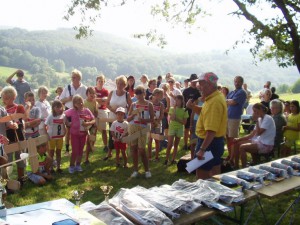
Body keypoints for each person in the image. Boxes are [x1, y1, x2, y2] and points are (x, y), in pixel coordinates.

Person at [194, 72, 227, 179]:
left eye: (201, 84)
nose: (199, 87)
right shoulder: (215, 97)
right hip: (214, 142)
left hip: (208, 144)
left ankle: (205, 195)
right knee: (215, 172)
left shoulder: (214, 102)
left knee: (202, 175)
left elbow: (211, 130)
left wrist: (202, 149)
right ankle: (217, 193)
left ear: (208, 85)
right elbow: (205, 115)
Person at [233, 103, 275, 168]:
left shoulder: (267, 118)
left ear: (261, 109)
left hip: (266, 145)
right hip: (259, 142)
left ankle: (244, 168)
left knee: (242, 147)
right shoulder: (260, 119)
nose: (254, 113)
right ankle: (236, 166)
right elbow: (252, 135)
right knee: (237, 143)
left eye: (255, 111)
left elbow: (259, 133)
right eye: (254, 111)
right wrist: (238, 139)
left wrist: (256, 121)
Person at [127, 86, 154, 178]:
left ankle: (147, 170)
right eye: (137, 93)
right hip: (133, 127)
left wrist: (144, 120)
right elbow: (128, 118)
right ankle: (135, 170)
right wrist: (133, 114)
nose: (138, 95)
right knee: (134, 148)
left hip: (143, 128)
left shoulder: (149, 104)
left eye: (140, 93)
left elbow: (152, 119)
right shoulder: (133, 104)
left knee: (142, 150)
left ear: (144, 93)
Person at [59, 69, 87, 155]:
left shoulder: (84, 88)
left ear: (79, 78)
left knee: (79, 129)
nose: (72, 79)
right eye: (72, 77)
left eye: (74, 77)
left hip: (79, 112)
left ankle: (78, 148)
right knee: (68, 130)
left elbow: (86, 100)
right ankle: (67, 149)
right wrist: (68, 98)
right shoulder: (67, 87)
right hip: (69, 110)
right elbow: (60, 99)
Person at [65, 95, 95, 173]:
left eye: (81, 102)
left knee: (80, 150)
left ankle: (78, 165)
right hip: (74, 134)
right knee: (75, 151)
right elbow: (63, 115)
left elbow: (94, 120)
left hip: (83, 134)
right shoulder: (71, 111)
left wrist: (88, 123)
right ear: (74, 104)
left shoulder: (86, 110)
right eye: (78, 103)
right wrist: (67, 123)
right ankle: (71, 166)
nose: (80, 104)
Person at [1, 86, 26, 182]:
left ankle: (21, 177)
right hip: (8, 135)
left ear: (13, 97)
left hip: (19, 134)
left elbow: (23, 118)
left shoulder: (19, 107)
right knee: (8, 159)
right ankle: (8, 181)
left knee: (21, 157)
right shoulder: (3, 110)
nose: (5, 100)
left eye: (7, 98)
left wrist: (17, 123)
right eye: (4, 98)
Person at [104, 75, 132, 160]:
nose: (119, 85)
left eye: (122, 84)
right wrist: (113, 110)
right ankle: (110, 152)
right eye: (118, 83)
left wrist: (126, 113)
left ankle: (121, 152)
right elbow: (107, 104)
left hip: (122, 119)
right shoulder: (112, 92)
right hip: (112, 117)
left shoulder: (127, 94)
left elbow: (131, 106)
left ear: (125, 85)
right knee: (112, 134)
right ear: (116, 83)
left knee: (122, 134)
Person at [226, 76, 247, 164]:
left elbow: (233, 102)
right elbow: (227, 101)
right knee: (227, 137)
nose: (236, 83)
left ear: (242, 83)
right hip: (227, 117)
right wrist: (228, 101)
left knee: (233, 138)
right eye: (235, 81)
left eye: (238, 82)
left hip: (234, 118)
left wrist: (228, 101)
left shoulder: (242, 92)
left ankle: (233, 158)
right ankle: (230, 155)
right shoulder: (232, 92)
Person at [164, 95, 188, 165]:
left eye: (178, 100)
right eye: (176, 100)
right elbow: (171, 118)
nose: (176, 102)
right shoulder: (172, 108)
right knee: (169, 144)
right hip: (172, 128)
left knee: (176, 145)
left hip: (180, 129)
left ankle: (173, 159)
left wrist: (177, 119)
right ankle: (166, 159)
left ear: (181, 101)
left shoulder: (184, 110)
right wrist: (174, 109)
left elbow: (184, 122)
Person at [45, 100, 67, 173]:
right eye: (57, 107)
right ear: (53, 108)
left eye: (60, 107)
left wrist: (65, 130)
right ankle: (51, 168)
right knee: (51, 152)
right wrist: (47, 135)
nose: (59, 108)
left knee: (58, 152)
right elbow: (44, 126)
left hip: (60, 137)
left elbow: (63, 123)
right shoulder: (50, 116)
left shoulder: (63, 115)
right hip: (52, 138)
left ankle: (58, 167)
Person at [182, 74, 201, 150]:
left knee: (194, 128)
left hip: (196, 111)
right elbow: (183, 102)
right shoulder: (186, 91)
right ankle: (185, 144)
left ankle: (192, 144)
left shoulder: (199, 91)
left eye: (195, 81)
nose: (193, 82)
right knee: (186, 129)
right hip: (187, 111)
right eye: (192, 80)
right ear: (190, 81)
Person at [147, 88, 164, 161]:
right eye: (161, 95)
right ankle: (149, 157)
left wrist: (157, 122)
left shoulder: (161, 104)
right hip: (150, 123)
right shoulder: (149, 103)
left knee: (157, 140)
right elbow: (147, 113)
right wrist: (152, 121)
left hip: (158, 124)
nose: (162, 96)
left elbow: (162, 115)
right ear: (156, 95)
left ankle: (157, 157)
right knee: (150, 140)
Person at [83, 87, 98, 164]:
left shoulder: (95, 103)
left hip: (92, 123)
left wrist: (94, 122)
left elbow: (96, 113)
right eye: (90, 93)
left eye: (93, 93)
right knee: (87, 141)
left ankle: (87, 156)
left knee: (91, 139)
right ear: (87, 94)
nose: (92, 95)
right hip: (85, 124)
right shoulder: (84, 102)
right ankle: (86, 159)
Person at [95, 75, 109, 152]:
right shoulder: (93, 90)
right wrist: (101, 100)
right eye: (99, 81)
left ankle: (105, 146)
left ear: (104, 82)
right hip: (94, 111)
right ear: (97, 81)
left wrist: (97, 100)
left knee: (104, 130)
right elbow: (91, 99)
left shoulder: (105, 91)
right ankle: (91, 146)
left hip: (103, 110)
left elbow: (106, 102)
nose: (100, 83)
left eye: (102, 81)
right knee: (94, 129)